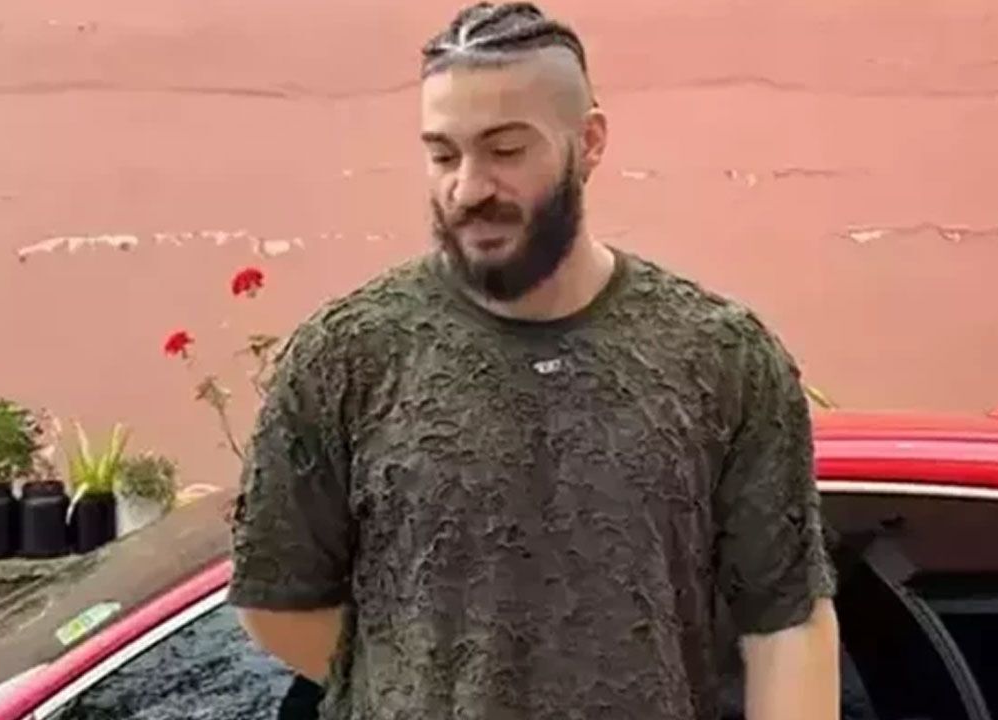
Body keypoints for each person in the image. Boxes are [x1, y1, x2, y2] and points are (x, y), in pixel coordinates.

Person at [229, 3, 840, 719]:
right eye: (443, 155)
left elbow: (787, 618)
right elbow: (276, 599)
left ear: (590, 141)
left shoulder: (723, 357)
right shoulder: (345, 356)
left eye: (506, 151)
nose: (468, 188)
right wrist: (425, 689)